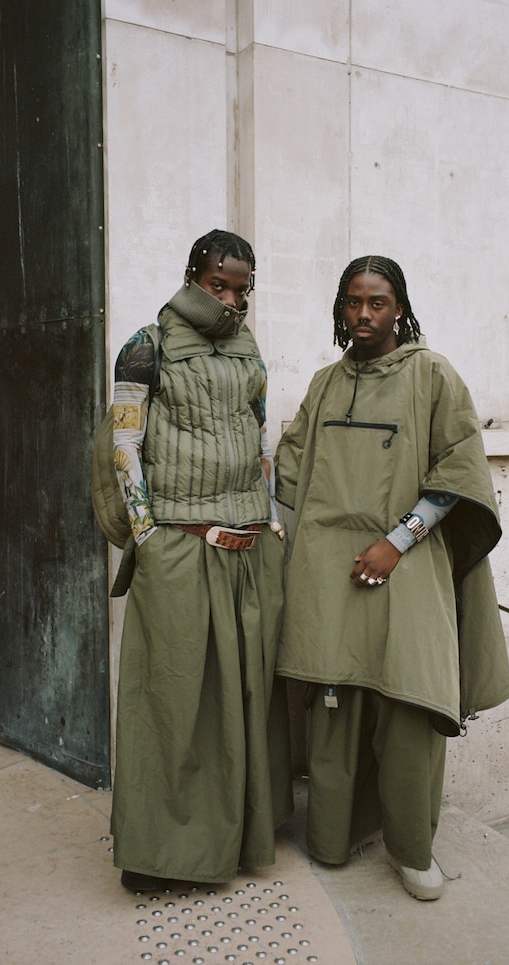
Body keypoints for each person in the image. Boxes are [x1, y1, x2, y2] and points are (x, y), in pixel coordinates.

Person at [274, 255, 509, 901]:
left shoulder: (433, 374)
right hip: (327, 566)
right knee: (334, 704)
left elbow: (458, 469)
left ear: (400, 306)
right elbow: (292, 468)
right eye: (352, 301)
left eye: (377, 302)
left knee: (409, 700)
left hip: (405, 559)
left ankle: (411, 849)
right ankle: (330, 837)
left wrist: (396, 540)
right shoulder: (325, 383)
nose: (363, 315)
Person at [110, 229, 292, 891]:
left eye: (242, 287)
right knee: (172, 703)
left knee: (241, 701)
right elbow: (123, 445)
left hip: (245, 550)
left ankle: (238, 838)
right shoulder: (144, 346)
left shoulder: (248, 348)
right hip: (179, 549)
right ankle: (156, 856)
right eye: (220, 283)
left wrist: (268, 516)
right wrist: (149, 534)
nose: (231, 298)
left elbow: (260, 433)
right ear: (192, 274)